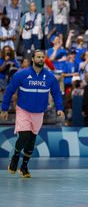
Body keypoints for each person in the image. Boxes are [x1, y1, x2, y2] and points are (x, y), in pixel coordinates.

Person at [1, 50, 64, 178]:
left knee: (31, 140)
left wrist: (60, 108)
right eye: (38, 57)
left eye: (43, 57)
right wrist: (4, 108)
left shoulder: (50, 77)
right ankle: (15, 157)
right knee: (23, 136)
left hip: (39, 112)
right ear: (33, 59)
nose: (41, 59)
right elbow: (9, 91)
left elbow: (56, 93)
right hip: (23, 110)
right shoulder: (21, 74)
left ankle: (24, 166)